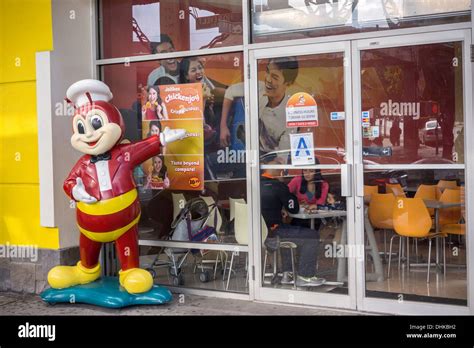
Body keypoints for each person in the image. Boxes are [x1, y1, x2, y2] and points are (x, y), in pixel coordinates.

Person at [260, 161, 325, 287]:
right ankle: (305, 276)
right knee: (312, 236)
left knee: (286, 231)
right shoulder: (278, 186)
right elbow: (293, 208)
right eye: (284, 171)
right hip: (274, 233)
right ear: (280, 172)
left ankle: (287, 273)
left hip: (257, 233)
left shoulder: (254, 184)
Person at [258, 57, 299, 163]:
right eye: (267, 72)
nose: (268, 79)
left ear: (288, 83)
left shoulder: (290, 114)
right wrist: (223, 126)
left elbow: (281, 158)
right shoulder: (258, 89)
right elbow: (230, 91)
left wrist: (263, 169)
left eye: (275, 77)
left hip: (269, 158)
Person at [287, 164, 329, 229]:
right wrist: (296, 203)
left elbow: (320, 204)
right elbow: (285, 193)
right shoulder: (297, 180)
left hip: (316, 217)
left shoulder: (323, 184)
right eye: (305, 170)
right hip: (300, 216)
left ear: (317, 172)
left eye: (311, 171)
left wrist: (309, 206)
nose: (307, 174)